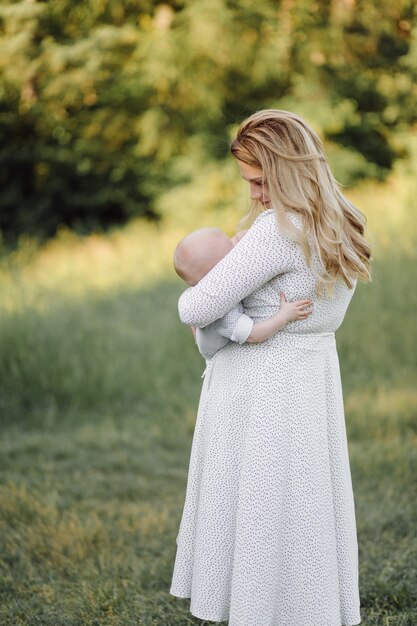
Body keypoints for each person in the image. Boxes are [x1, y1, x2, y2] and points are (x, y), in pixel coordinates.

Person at [169, 109, 371, 626]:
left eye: (260, 181)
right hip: (312, 378)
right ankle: (306, 607)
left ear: (286, 170)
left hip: (260, 388)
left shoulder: (277, 231)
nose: (255, 194)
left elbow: (195, 307)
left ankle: (260, 610)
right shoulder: (342, 219)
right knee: (301, 509)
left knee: (259, 509)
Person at [173, 226, 314, 363]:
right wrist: (283, 317)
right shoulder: (223, 316)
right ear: (213, 278)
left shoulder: (212, 287)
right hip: (222, 366)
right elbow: (253, 335)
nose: (239, 248)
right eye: (232, 253)